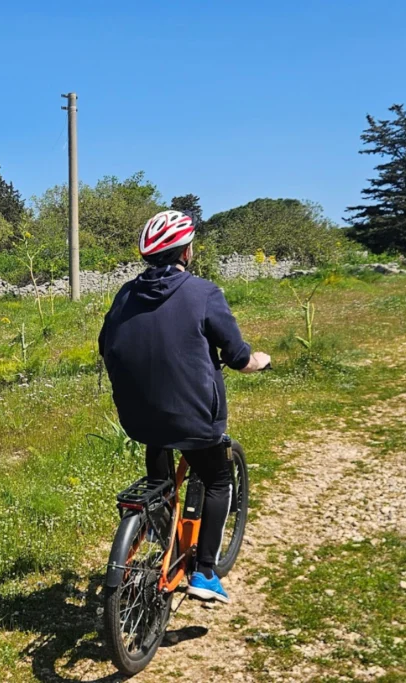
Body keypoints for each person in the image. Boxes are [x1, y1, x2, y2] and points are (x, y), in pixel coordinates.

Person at [97, 210, 270, 603]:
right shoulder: (203, 293)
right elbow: (239, 357)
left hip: (137, 417)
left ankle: (158, 522)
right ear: (186, 252)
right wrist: (261, 360)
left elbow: (105, 344)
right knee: (218, 479)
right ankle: (206, 573)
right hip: (193, 420)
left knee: (159, 463)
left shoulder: (125, 294)